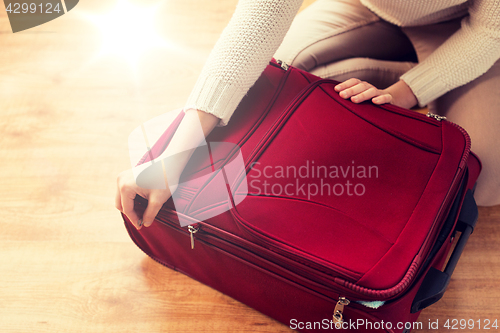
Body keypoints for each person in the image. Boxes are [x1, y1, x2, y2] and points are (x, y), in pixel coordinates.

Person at [116, 0, 500, 229]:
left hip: (469, 24)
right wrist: (174, 154)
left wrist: (403, 93)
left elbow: (488, 31)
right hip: (372, 7)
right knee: (277, 74)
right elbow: (259, 19)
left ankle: (417, 76)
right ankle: (397, 70)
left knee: (485, 179)